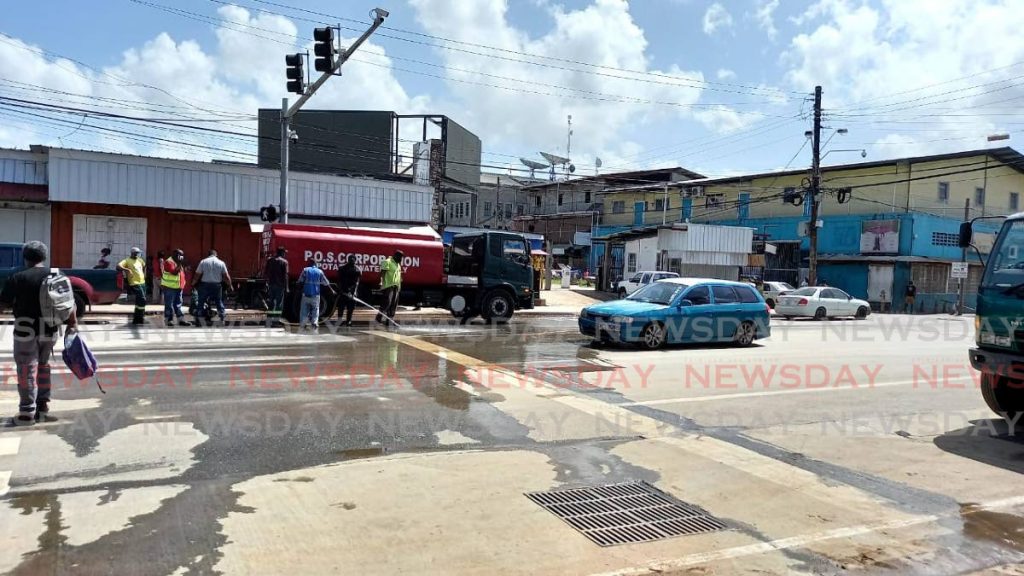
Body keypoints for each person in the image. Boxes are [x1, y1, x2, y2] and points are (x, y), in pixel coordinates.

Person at [0, 241, 78, 425]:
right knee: (43, 365)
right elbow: (69, 303)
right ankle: (43, 404)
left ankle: (27, 411)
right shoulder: (57, 275)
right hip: (50, 329)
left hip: (24, 331)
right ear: (44, 257)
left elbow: (3, 304)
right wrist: (72, 324)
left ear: (25, 257)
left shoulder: (18, 277)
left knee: (27, 368)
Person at [193, 249, 231, 324]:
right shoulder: (221, 263)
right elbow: (226, 276)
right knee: (218, 301)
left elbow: (197, 274)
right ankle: (222, 318)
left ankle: (199, 318)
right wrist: (230, 285)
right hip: (217, 285)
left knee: (201, 301)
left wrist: (193, 283)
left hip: (205, 285)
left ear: (208, 255)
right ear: (216, 255)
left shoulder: (203, 262)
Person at [298, 258, 334, 331]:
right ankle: (314, 323)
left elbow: (300, 281)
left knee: (304, 310)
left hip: (306, 294)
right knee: (315, 309)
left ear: (309, 263)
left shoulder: (305, 270)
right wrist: (332, 290)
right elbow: (326, 282)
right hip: (316, 295)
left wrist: (299, 290)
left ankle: (303, 324)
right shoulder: (319, 271)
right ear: (315, 263)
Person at [117, 247, 148, 325]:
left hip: (142, 282)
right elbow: (118, 266)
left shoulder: (140, 260)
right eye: (137, 253)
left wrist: (144, 274)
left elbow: (144, 266)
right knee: (142, 299)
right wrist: (127, 270)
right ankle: (139, 317)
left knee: (139, 302)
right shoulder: (127, 260)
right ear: (133, 253)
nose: (138, 254)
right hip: (134, 283)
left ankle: (137, 319)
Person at [161, 249, 188, 326]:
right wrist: (180, 263)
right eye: (180, 255)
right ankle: (168, 320)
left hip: (178, 287)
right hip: (169, 287)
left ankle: (181, 320)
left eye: (182, 256)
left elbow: (181, 273)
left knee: (178, 304)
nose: (181, 257)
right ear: (175, 255)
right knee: (169, 305)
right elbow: (174, 273)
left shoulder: (177, 262)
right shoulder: (168, 262)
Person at [377, 250, 403, 326]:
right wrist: (381, 282)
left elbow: (399, 276)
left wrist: (399, 286)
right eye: (400, 257)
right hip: (388, 286)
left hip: (396, 287)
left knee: (394, 304)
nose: (401, 259)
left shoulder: (398, 264)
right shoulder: (387, 261)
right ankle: (378, 318)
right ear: (395, 256)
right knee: (387, 303)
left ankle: (390, 320)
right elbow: (382, 273)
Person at [263, 247, 289, 324]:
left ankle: (269, 319)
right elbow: (285, 275)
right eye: (284, 252)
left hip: (271, 285)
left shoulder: (270, 260)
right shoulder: (284, 262)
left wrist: (266, 283)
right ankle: (276, 321)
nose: (285, 254)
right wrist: (287, 287)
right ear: (282, 253)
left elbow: (266, 272)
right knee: (279, 303)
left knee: (271, 302)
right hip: (280, 286)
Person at [337, 255, 361, 326]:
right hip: (343, 290)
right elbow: (339, 280)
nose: (352, 261)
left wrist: (355, 291)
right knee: (341, 306)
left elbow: (357, 282)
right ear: (348, 260)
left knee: (351, 307)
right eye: (350, 260)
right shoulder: (342, 268)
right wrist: (340, 290)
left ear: (355, 261)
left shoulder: (357, 270)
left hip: (352, 291)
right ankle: (340, 320)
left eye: (353, 260)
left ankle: (349, 320)